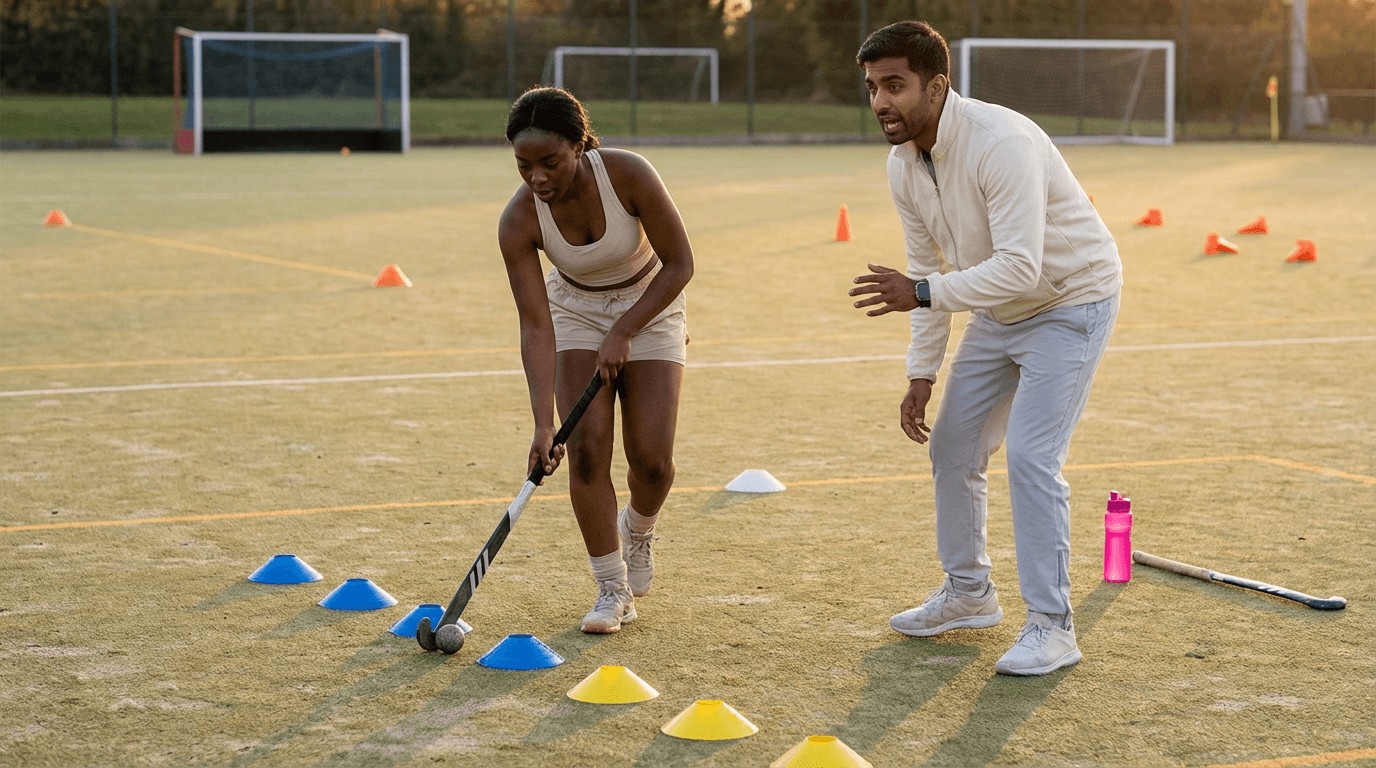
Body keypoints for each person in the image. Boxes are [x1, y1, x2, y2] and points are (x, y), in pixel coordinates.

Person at [848, 21, 1122, 676]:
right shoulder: (903, 164)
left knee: (1031, 456)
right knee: (954, 445)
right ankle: (969, 594)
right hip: (999, 312)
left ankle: (1054, 626)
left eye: (895, 85)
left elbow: (1019, 268)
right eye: (871, 88)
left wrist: (920, 292)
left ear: (936, 86)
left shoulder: (1001, 142)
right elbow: (928, 268)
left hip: (1069, 301)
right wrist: (922, 371)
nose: (881, 102)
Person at [497, 86, 693, 634]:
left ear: (579, 145)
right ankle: (613, 589)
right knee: (584, 451)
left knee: (651, 461)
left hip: (651, 302)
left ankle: (639, 530)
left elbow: (680, 264)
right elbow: (536, 324)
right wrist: (541, 425)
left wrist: (626, 329)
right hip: (576, 314)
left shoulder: (628, 174)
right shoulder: (518, 221)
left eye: (549, 162)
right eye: (524, 165)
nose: (537, 177)